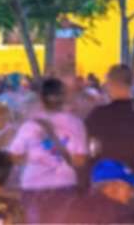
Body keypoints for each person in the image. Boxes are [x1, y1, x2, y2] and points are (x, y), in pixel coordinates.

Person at [6, 76, 89, 223]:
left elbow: (12, 156)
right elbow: (80, 161)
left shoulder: (31, 124)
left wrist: (31, 158)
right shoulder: (75, 123)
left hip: (33, 187)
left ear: (41, 99)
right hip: (64, 186)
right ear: (63, 98)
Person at [85, 64, 134, 169]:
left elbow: (85, 137)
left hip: (106, 171)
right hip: (130, 170)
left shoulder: (100, 113)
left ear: (112, 84)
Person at [80, 160, 134, 224]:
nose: (132, 195)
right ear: (112, 189)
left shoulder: (77, 207)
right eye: (129, 189)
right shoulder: (117, 216)